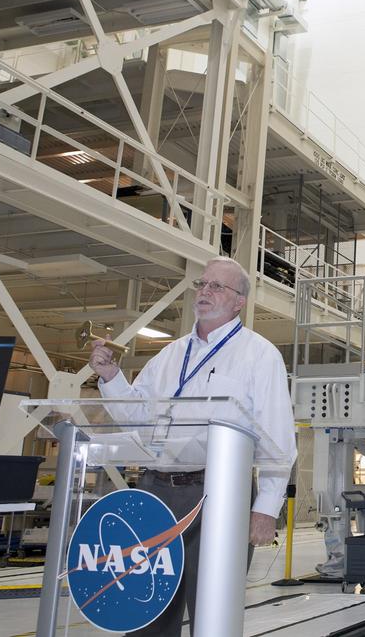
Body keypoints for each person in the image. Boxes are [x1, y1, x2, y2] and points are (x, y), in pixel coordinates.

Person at [89, 257, 297, 635]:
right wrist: (112, 378)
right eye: (202, 284)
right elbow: (137, 417)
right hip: (155, 494)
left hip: (220, 495)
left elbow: (277, 437)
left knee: (211, 613)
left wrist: (266, 508)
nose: (205, 292)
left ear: (239, 302)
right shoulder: (170, 355)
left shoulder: (259, 355)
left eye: (217, 286)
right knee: (148, 609)